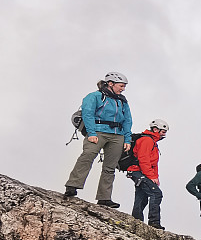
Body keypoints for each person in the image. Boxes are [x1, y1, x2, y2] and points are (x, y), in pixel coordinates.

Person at [65, 72, 133, 207]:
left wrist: (127, 139)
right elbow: (88, 114)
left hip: (117, 135)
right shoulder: (94, 96)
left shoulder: (122, 100)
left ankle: (104, 197)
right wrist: (91, 132)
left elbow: (128, 120)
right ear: (110, 83)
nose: (123, 89)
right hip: (98, 131)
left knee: (110, 166)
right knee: (87, 156)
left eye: (124, 86)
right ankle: (72, 185)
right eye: (121, 86)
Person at [126, 119, 169, 230]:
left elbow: (153, 163)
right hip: (138, 171)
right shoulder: (147, 140)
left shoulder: (152, 142)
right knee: (156, 193)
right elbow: (143, 160)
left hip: (139, 172)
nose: (164, 134)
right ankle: (154, 222)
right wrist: (152, 176)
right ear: (155, 129)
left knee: (142, 196)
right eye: (163, 131)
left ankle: (136, 222)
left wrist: (156, 176)